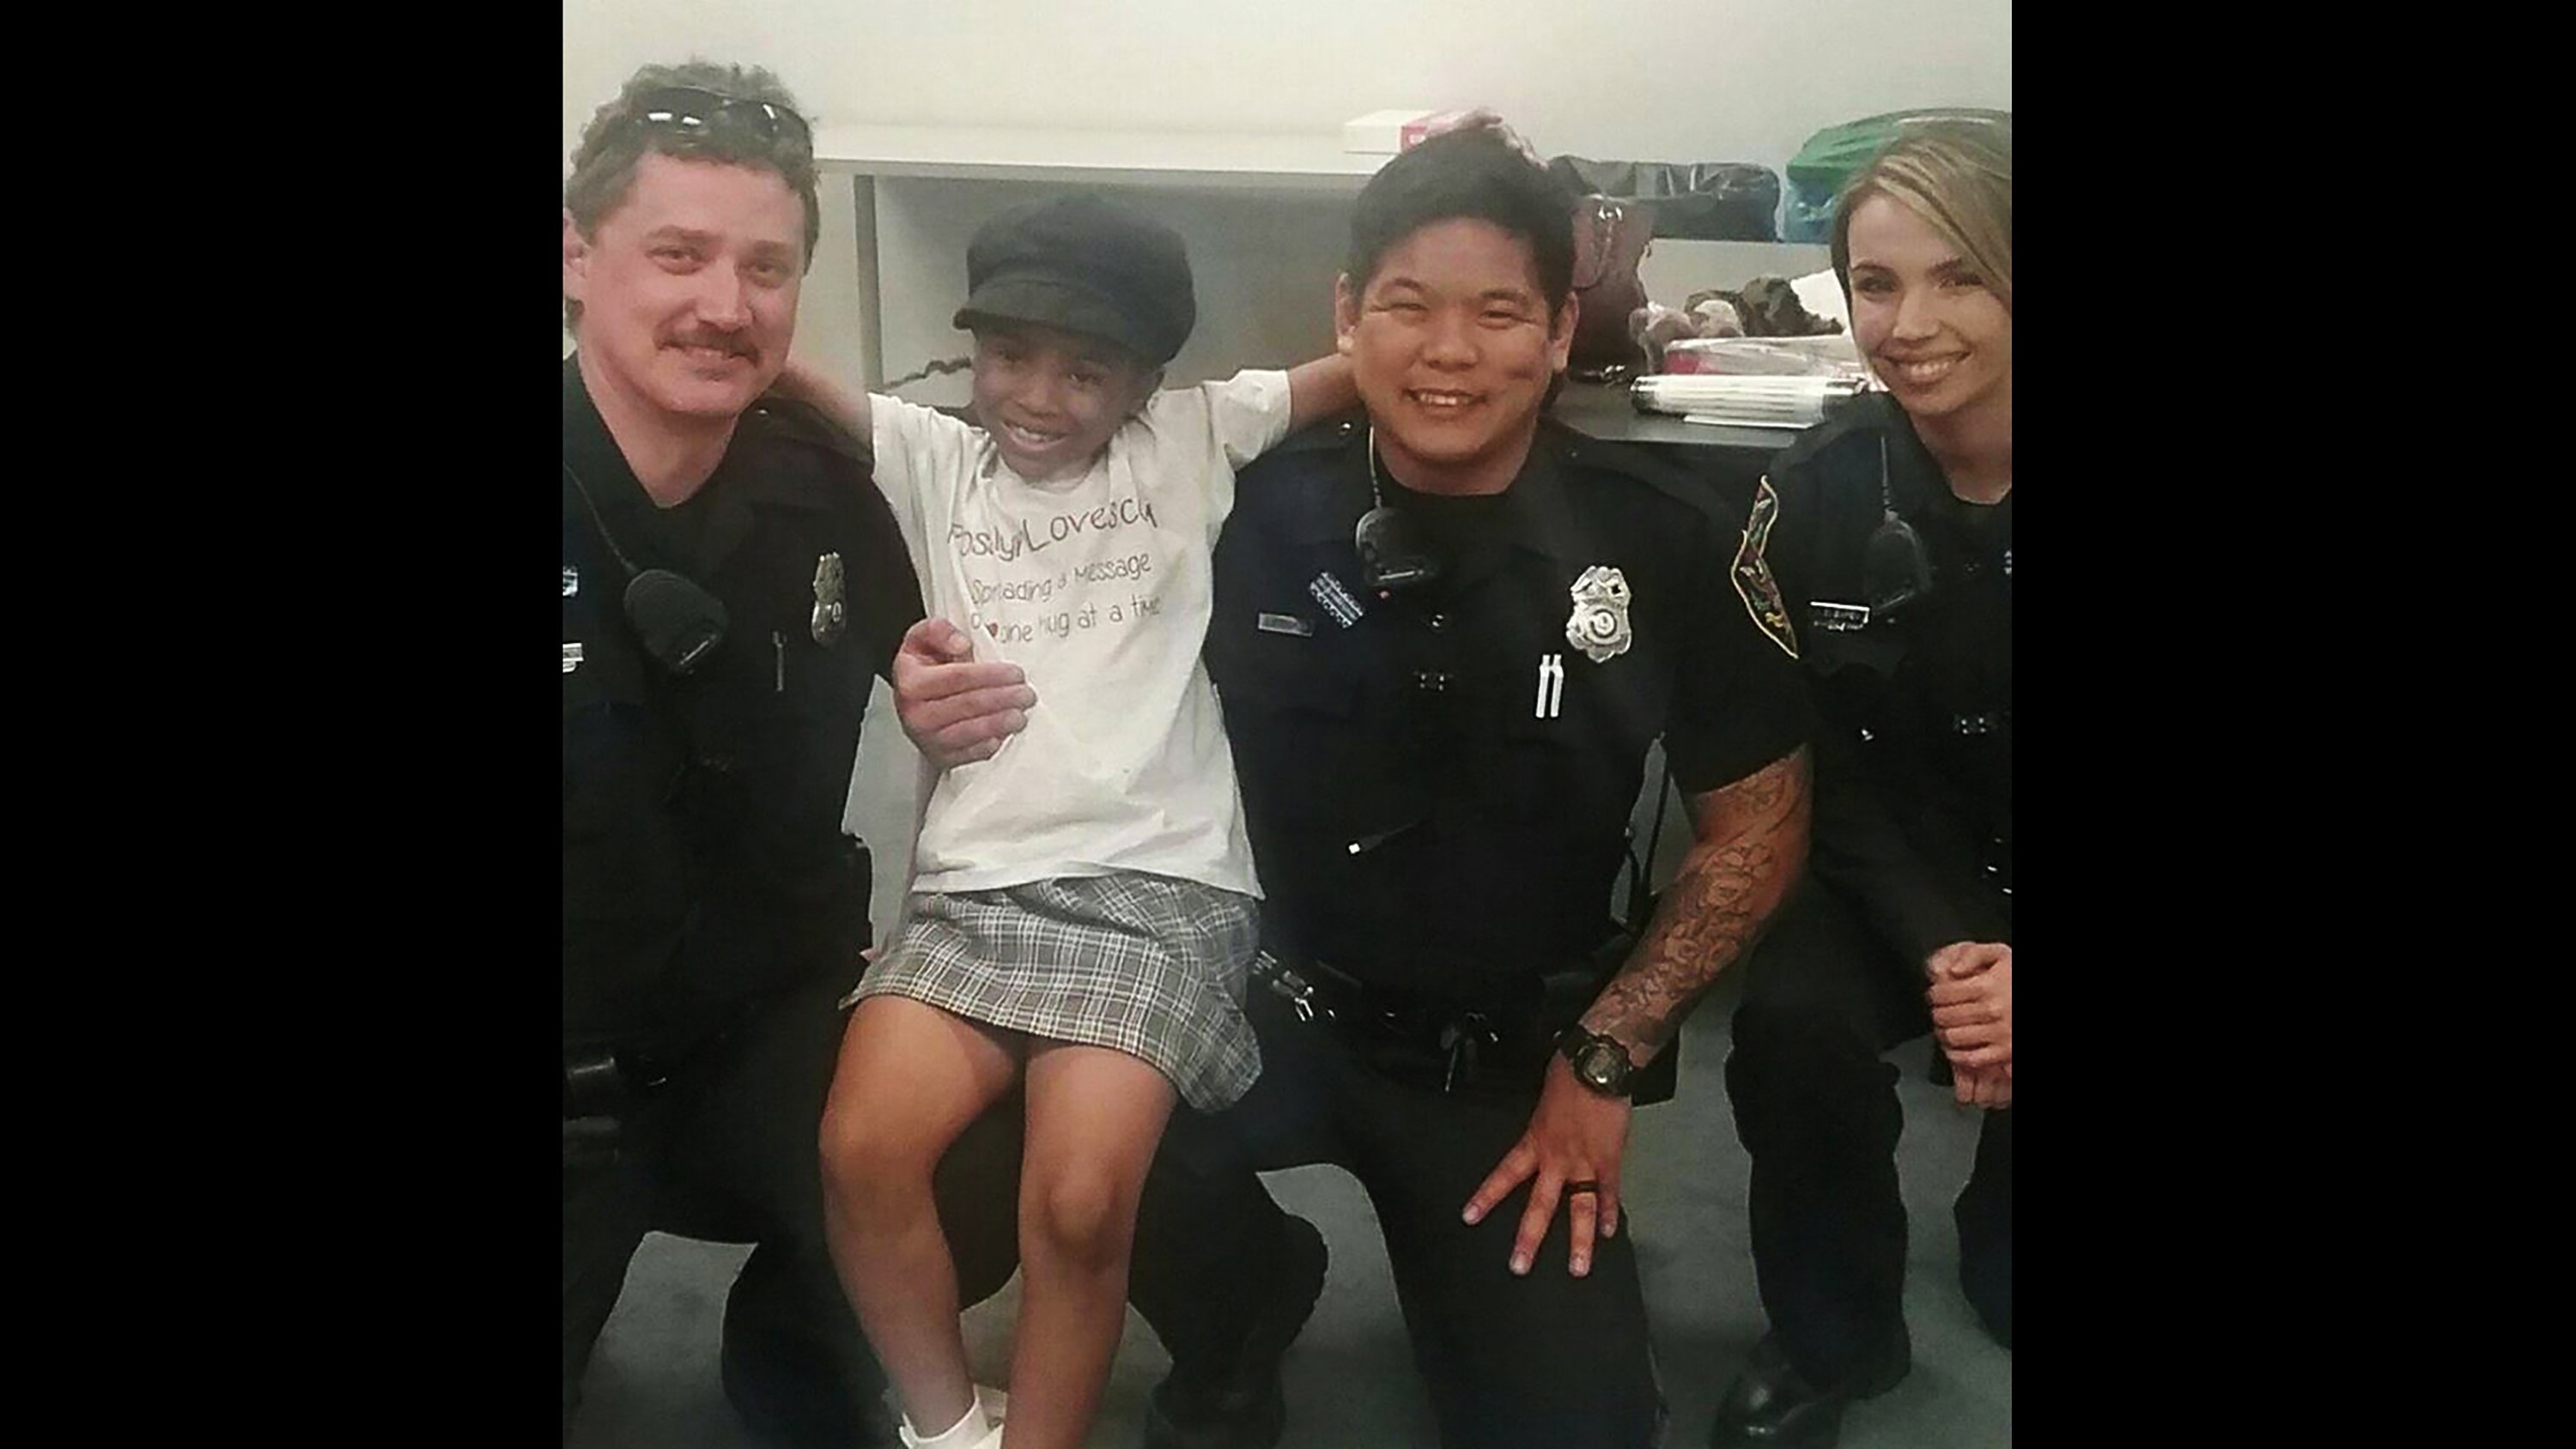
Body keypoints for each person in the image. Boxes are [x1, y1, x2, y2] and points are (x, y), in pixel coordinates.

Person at [894, 128, 1816, 1449]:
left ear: (1561, 329)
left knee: (1576, 1427)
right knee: (996, 1156)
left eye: (1498, 312)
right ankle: (1245, 1314)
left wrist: (1607, 1059)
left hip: (1501, 1052)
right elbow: (1033, 598)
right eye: (1406, 307)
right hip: (1249, 993)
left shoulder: (1661, 532)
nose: (1449, 352)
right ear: (1346, 317)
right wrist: (932, 687)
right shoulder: (1235, 496)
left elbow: (1759, 825)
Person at [777, 195, 1354, 1449]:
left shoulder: (1191, 441)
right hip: (975, 892)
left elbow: (1365, 365)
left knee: (1081, 1203)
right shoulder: (934, 459)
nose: (1038, 395)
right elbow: (775, 359)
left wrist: (1575, 307)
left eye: (1086, 369)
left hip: (1158, 887)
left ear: (1149, 380)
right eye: (1009, 356)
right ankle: (949, 1433)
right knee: (861, 1153)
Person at [559, 61, 1017, 1448]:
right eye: (678, 254)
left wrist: (935, 699)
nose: (725, 305)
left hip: (761, 1027)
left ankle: (796, 1361)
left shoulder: (823, 495)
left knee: (977, 1156)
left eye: (768, 266)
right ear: (575, 257)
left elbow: (920, 655)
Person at [1706, 117, 2013, 1449]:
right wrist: (1948, 942)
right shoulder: (1814, 491)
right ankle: (1836, 1328)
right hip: (1891, 863)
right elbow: (1818, 755)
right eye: (1876, 284)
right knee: (1791, 1028)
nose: (1911, 324)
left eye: (1962, 278)